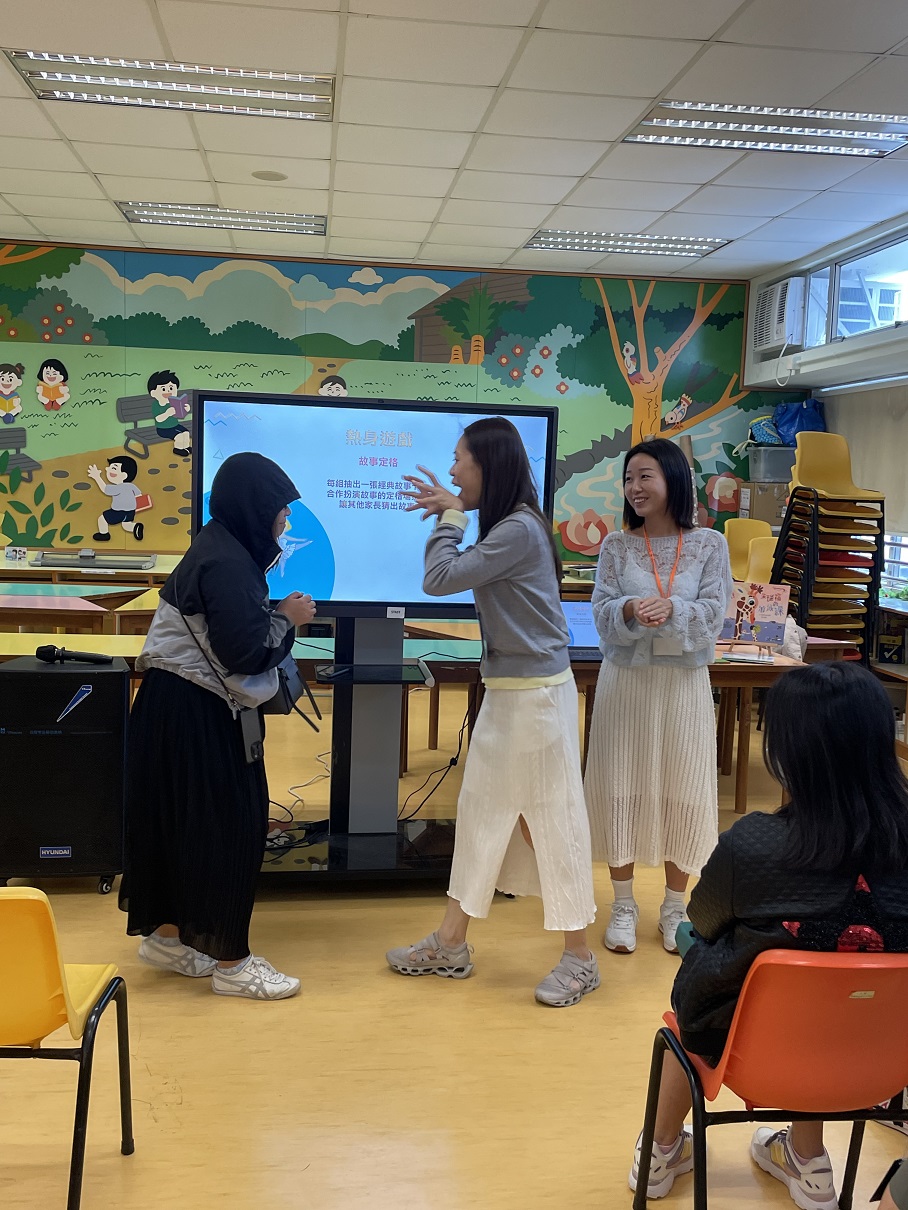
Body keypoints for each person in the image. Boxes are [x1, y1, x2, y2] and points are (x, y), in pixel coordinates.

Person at [631, 661, 908, 1208]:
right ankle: (808, 1161)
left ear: (789, 750)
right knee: (835, 994)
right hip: (883, 1061)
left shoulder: (754, 845)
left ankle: (661, 1152)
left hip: (751, 1053)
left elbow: (702, 921)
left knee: (695, 996)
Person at [385, 417, 598, 1007]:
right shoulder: (511, 524)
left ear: (488, 465)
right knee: (482, 812)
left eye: (460, 459)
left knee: (549, 819)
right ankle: (451, 941)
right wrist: (457, 511)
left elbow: (439, 578)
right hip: (512, 692)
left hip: (536, 697)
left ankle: (580, 958)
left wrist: (452, 518)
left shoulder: (518, 530)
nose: (452, 471)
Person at [120, 452, 315, 1000]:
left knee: (174, 826)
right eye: (281, 508)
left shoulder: (216, 547)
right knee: (230, 829)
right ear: (256, 507)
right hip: (199, 712)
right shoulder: (229, 562)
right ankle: (233, 963)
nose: (285, 519)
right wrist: (288, 619)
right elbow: (246, 653)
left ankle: (166, 938)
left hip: (167, 706)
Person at [584, 438, 732, 955]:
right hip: (625, 683)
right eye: (628, 479)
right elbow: (600, 611)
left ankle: (675, 906)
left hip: (683, 686)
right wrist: (628, 609)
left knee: (683, 788)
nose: (634, 487)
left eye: (645, 476)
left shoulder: (709, 544)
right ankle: (623, 905)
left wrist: (673, 611)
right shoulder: (616, 546)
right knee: (619, 785)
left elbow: (715, 613)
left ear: (673, 478)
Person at [88, 455, 144, 542]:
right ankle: (135, 527)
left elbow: (105, 489)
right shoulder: (131, 486)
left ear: (124, 475)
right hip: (131, 512)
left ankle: (104, 534)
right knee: (126, 525)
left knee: (102, 519)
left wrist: (97, 477)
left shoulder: (118, 487)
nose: (107, 469)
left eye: (113, 468)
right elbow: (139, 494)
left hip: (118, 512)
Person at [148, 369, 191, 458]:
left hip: (175, 425)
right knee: (179, 436)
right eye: (163, 389)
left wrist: (185, 409)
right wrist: (167, 413)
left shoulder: (173, 402)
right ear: (153, 393)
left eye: (171, 388)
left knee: (186, 433)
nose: (168, 392)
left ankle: (186, 447)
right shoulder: (156, 404)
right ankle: (178, 449)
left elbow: (180, 414)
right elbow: (158, 419)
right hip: (163, 429)